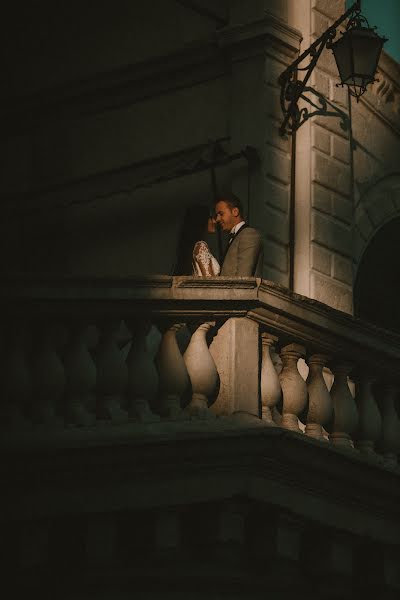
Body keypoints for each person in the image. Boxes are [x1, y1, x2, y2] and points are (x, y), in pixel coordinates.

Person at [214, 195, 263, 277]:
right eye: (217, 215)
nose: (217, 219)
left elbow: (243, 278)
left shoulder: (249, 234)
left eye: (221, 214)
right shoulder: (235, 236)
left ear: (235, 212)